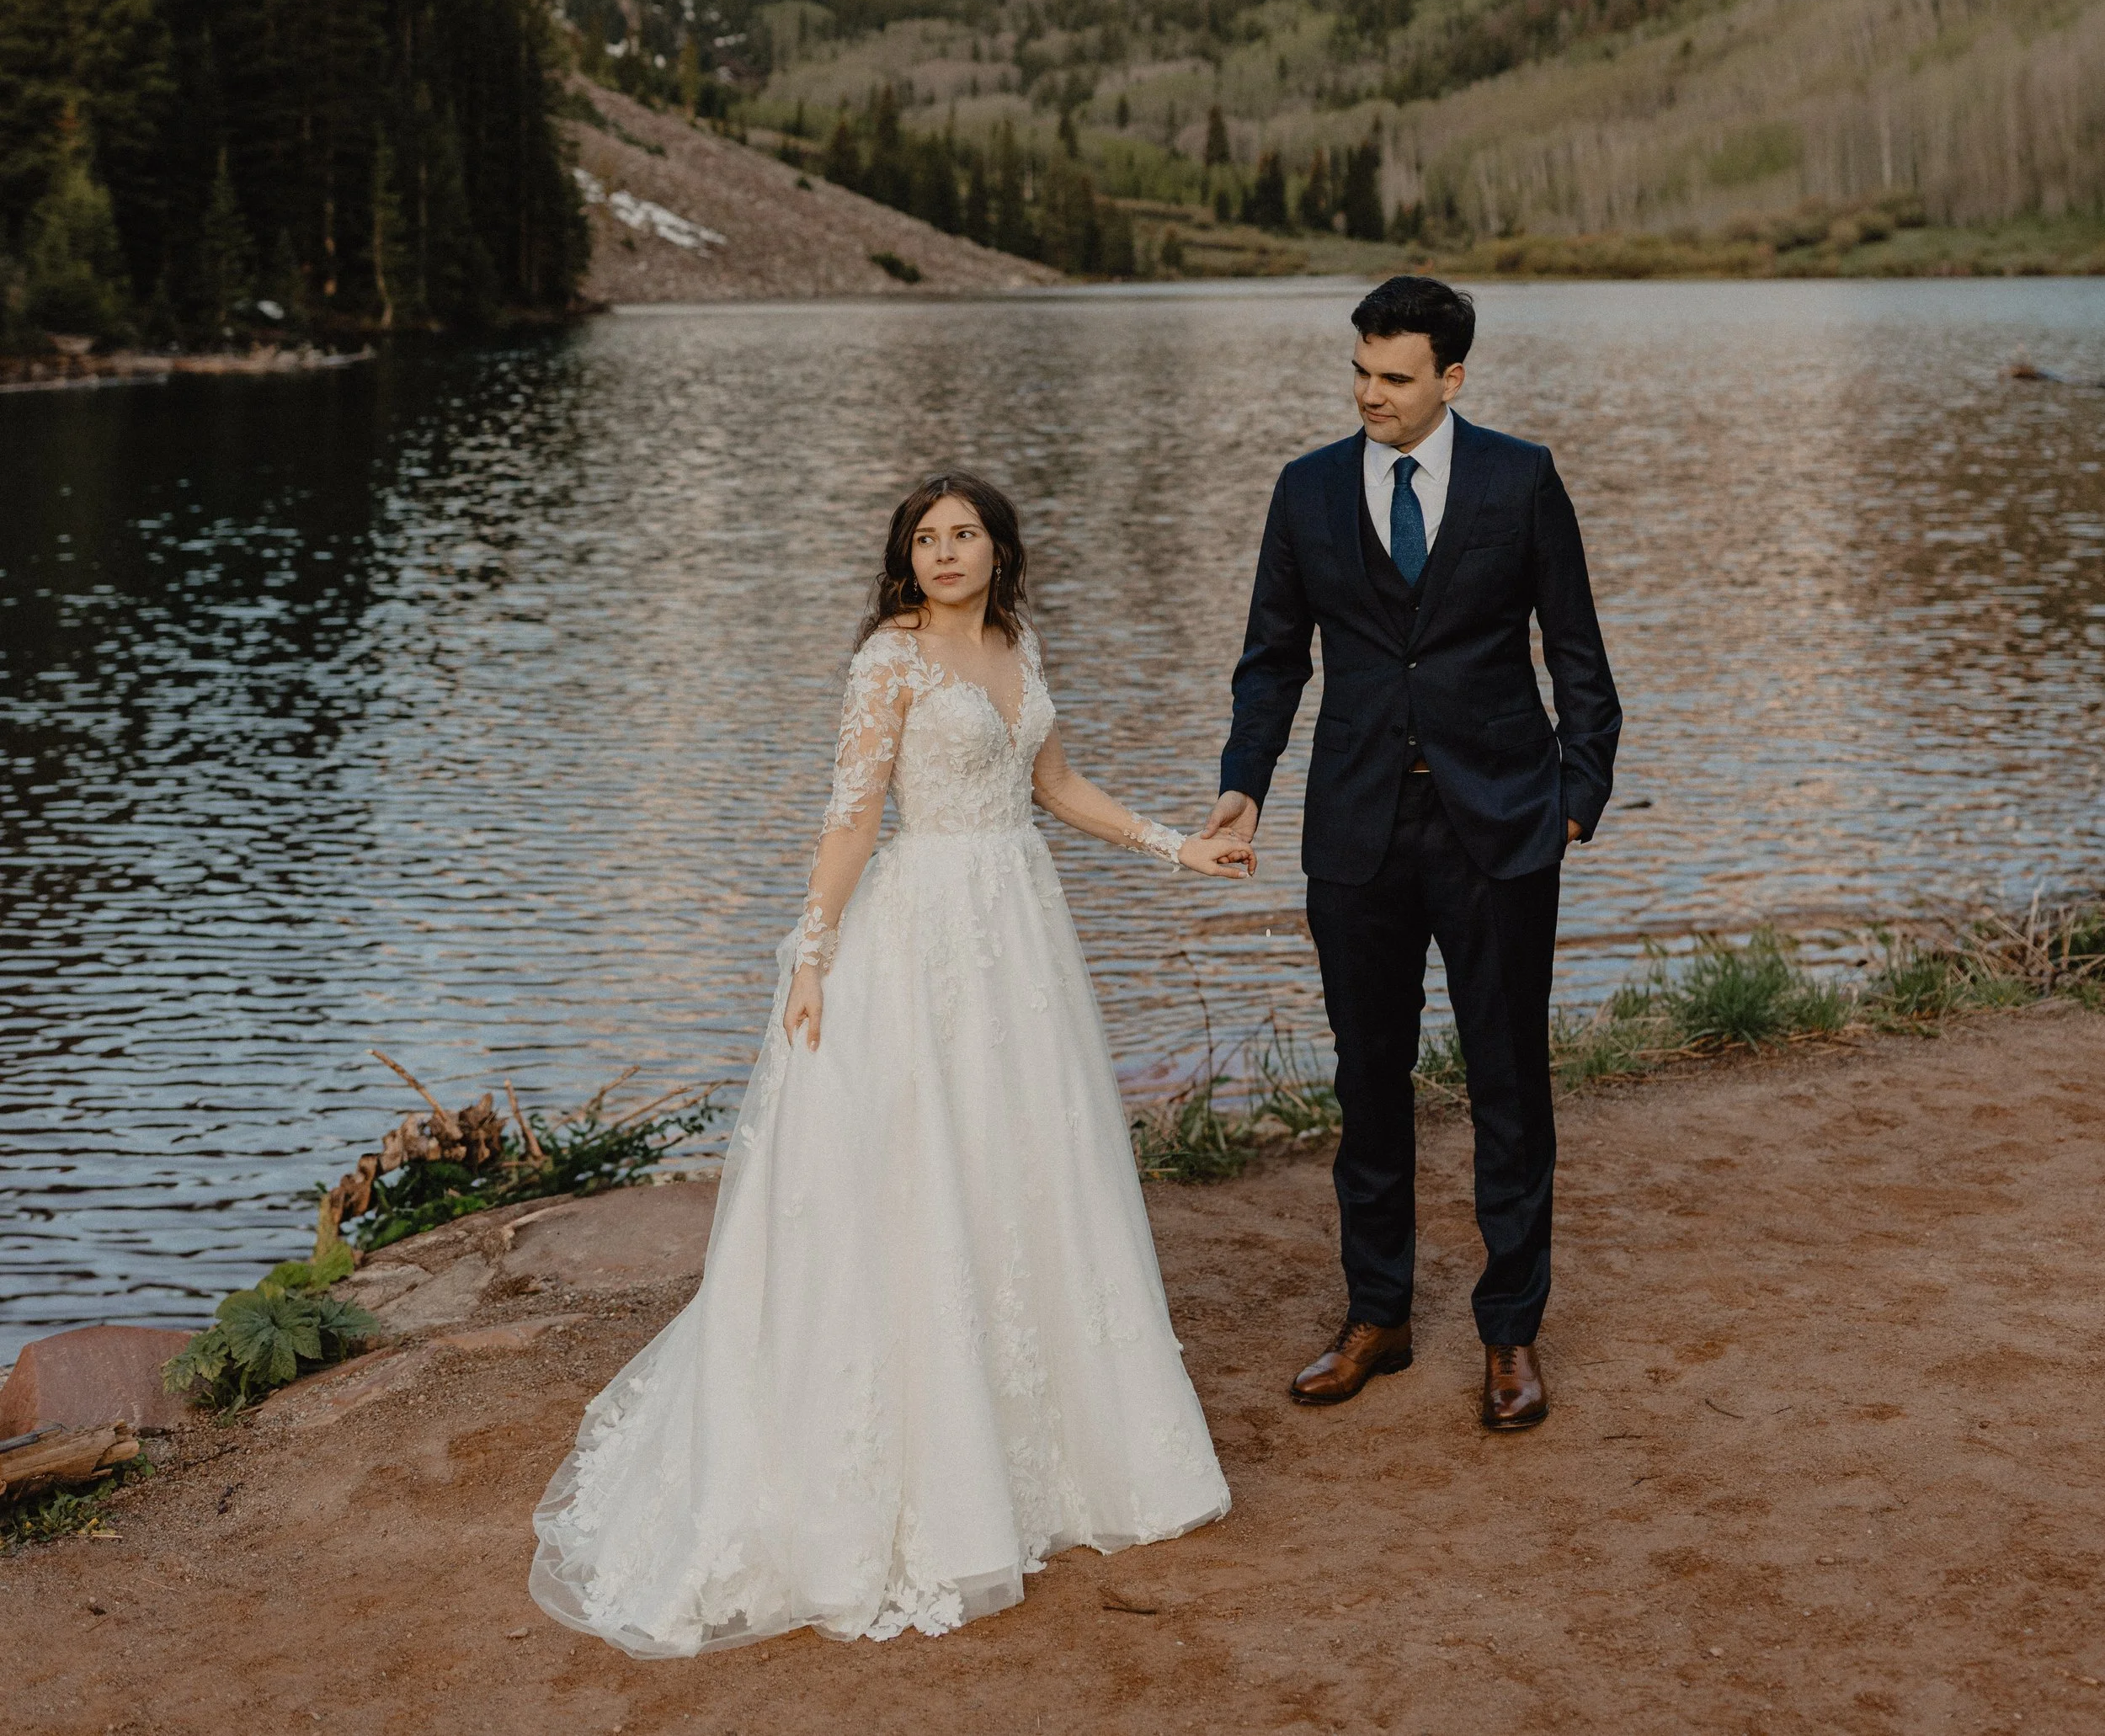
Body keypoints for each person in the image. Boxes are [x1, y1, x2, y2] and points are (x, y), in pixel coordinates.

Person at [530, 471, 1251, 1656]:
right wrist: (809, 957)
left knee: (1029, 1169)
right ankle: (926, 1466)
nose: (947, 553)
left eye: (966, 534)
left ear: (1000, 552)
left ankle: (1064, 1461)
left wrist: (1178, 848)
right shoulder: (890, 661)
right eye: (927, 539)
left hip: (1018, 928)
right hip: (923, 937)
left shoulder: (1020, 646)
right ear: (906, 562)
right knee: (920, 1168)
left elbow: (1056, 786)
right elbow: (855, 814)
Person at [1201, 276, 1619, 1430]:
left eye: (1395, 377)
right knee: (1367, 1080)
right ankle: (1376, 1316)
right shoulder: (1306, 491)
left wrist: (1578, 797)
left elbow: (1576, 649)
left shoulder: (1519, 479)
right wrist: (1244, 786)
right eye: (1360, 373)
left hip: (1501, 827)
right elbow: (1271, 658)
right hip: (1356, 831)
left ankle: (1510, 1332)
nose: (1370, 395)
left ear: (1452, 378)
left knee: (1507, 1083)